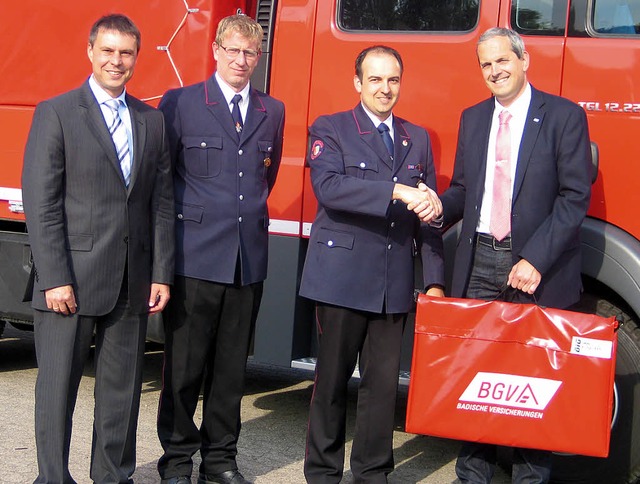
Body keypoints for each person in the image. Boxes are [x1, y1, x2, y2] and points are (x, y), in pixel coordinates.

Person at [21, 13, 175, 484]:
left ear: (136, 58)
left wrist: (161, 273)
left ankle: (113, 475)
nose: (116, 61)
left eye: (125, 52)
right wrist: (54, 278)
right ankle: (52, 478)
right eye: (107, 51)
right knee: (57, 392)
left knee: (121, 394)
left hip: (132, 282)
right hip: (70, 282)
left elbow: (162, 203)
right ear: (90, 52)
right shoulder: (58, 112)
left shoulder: (152, 121)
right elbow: (41, 201)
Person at [438, 28, 592, 483]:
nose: (495, 71)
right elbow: (466, 191)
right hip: (480, 260)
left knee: (531, 384)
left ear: (525, 60)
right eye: (486, 65)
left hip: (535, 270)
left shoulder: (564, 116)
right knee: (478, 381)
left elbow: (573, 196)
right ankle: (473, 477)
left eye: (503, 60)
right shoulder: (473, 118)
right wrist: (435, 207)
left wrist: (536, 259)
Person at [299, 45, 445, 483]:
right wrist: (398, 191)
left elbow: (429, 216)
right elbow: (330, 188)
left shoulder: (415, 137)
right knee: (330, 385)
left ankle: (372, 474)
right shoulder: (332, 128)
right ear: (358, 83)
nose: (386, 89)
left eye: (393, 80)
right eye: (376, 80)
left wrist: (434, 281)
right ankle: (323, 474)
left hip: (393, 284)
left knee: (381, 391)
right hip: (341, 279)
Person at [156, 14, 285, 484]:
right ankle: (176, 462)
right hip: (195, 258)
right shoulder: (182, 103)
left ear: (259, 57)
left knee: (231, 372)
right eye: (232, 49)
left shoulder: (273, 110)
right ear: (215, 49)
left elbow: (261, 181)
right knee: (185, 370)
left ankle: (220, 461)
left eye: (250, 52)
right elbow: (164, 182)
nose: (241, 60)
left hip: (246, 261)